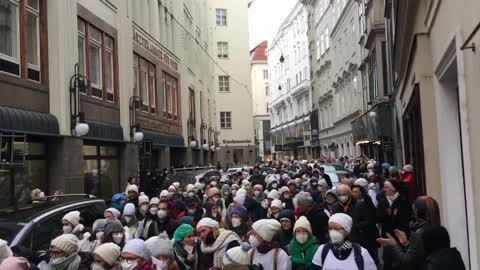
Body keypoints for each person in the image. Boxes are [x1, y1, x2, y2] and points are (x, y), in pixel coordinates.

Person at [376, 196, 441, 270]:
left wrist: (394, 245)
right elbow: (421, 252)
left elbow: (406, 263)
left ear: (416, 211)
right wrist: (407, 244)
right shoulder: (440, 230)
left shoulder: (419, 233)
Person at [311, 213, 377, 270]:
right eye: (330, 228)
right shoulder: (323, 250)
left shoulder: (361, 253)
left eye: (337, 229)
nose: (333, 232)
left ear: (347, 231)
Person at [332, 184, 378, 262]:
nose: (342, 197)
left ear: (349, 194)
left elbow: (369, 221)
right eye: (339, 195)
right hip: (344, 241)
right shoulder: (335, 207)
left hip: (360, 239)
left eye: (344, 194)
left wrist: (354, 226)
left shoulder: (360, 205)